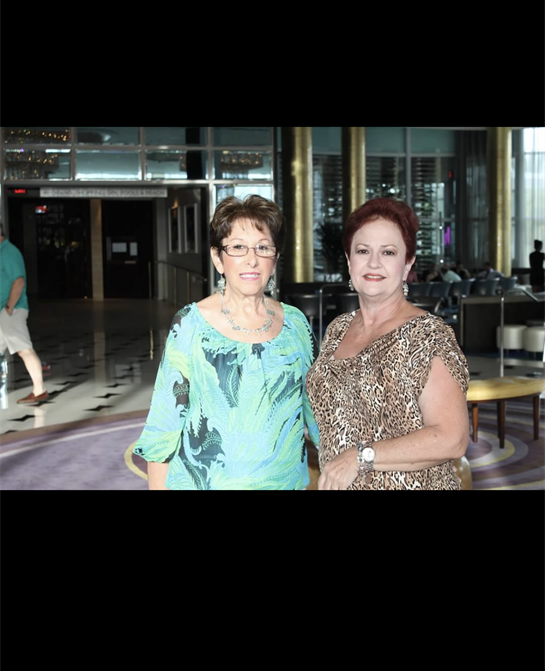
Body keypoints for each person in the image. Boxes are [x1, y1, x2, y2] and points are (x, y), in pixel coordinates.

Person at [134, 195, 319, 490]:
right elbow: (165, 426)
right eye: (237, 247)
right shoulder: (191, 324)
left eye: (263, 247)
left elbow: (317, 412)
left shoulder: (295, 324)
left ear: (275, 258)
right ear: (218, 259)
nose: (251, 258)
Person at [305, 197, 469, 490]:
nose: (374, 263)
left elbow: (451, 438)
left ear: (408, 264)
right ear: (349, 260)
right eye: (363, 250)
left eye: (388, 252)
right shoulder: (338, 329)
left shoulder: (428, 335)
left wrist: (359, 457)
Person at [0, 219, 48, 404]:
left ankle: (39, 390)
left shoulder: (8, 252)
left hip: (12, 311)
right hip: (5, 312)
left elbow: (18, 282)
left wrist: (9, 309)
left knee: (24, 349)